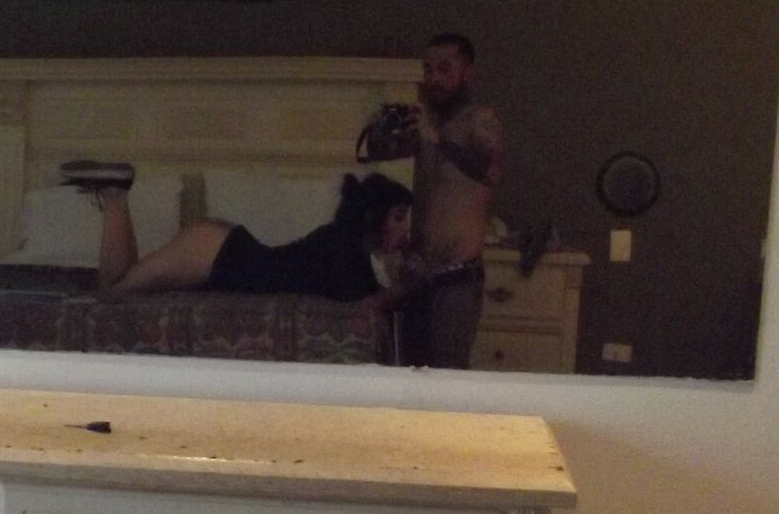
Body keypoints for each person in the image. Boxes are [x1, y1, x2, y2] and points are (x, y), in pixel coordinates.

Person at [63, 162, 417, 303]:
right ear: (373, 215)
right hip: (216, 253)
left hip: (219, 247)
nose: (404, 229)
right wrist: (410, 285)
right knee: (113, 292)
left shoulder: (346, 247)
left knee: (122, 286)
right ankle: (115, 192)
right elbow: (368, 308)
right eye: (399, 217)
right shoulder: (346, 249)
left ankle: (116, 193)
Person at [359, 32, 506, 368]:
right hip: (418, 275)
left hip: (457, 278)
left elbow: (490, 172)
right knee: (412, 376)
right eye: (428, 69)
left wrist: (436, 140)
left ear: (467, 73)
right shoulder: (426, 122)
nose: (434, 78)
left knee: (447, 377)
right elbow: (378, 157)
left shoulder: (480, 119)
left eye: (444, 68)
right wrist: (381, 129)